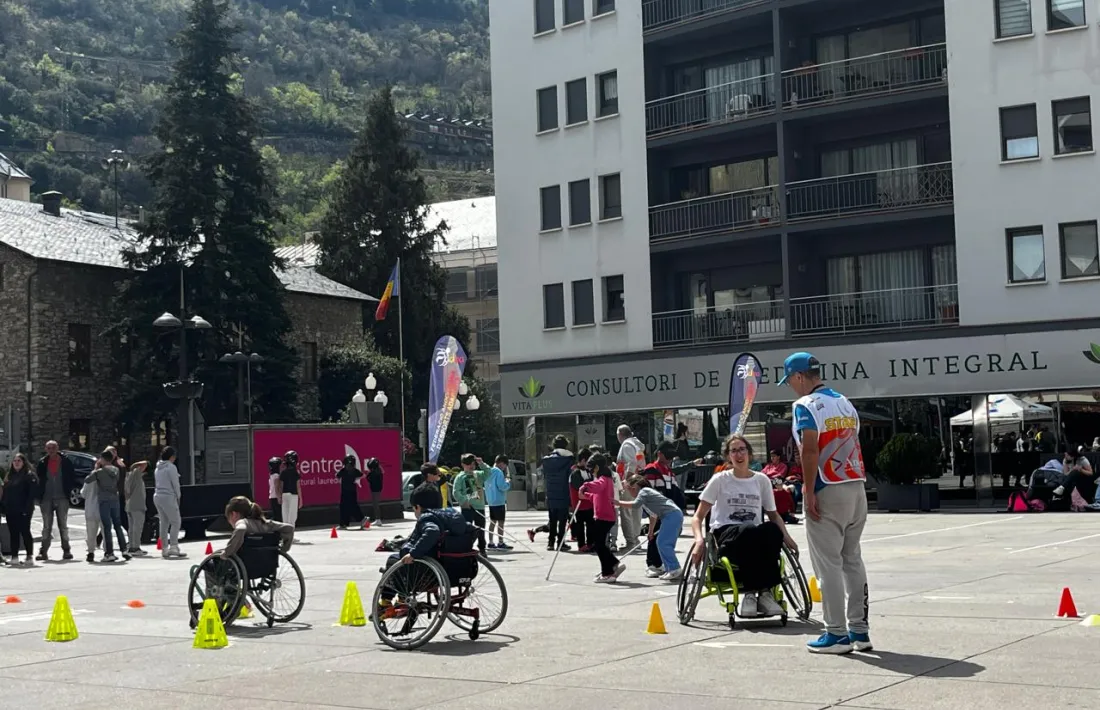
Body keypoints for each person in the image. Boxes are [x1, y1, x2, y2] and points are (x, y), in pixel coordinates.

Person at [780, 351, 870, 654]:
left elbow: (809, 449)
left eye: (790, 381)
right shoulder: (845, 402)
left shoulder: (805, 405)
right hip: (855, 485)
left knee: (828, 564)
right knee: (852, 559)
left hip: (827, 487)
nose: (791, 387)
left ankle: (836, 633)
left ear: (799, 376)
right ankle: (859, 630)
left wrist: (807, 490)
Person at [691, 434, 799, 618]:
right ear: (729, 456)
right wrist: (699, 540)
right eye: (734, 451)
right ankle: (750, 594)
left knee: (771, 530)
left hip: (754, 534)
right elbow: (698, 516)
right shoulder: (720, 480)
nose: (738, 454)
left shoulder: (761, 480)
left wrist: (787, 538)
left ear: (749, 453)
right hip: (726, 534)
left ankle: (765, 594)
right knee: (748, 530)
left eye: (742, 449)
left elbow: (773, 515)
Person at [376, 483, 471, 612]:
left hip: (428, 570)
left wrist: (414, 554)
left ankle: (387, 601)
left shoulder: (427, 517)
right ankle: (401, 598)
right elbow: (471, 529)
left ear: (418, 507)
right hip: (458, 568)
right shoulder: (453, 515)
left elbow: (432, 531)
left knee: (393, 560)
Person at [621, 475, 684, 581]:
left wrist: (618, 503)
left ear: (634, 487)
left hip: (671, 515)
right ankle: (670, 569)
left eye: (629, 489)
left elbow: (635, 505)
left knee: (664, 543)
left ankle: (675, 568)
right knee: (661, 543)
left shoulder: (644, 492)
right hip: (670, 516)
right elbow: (653, 516)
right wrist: (650, 532)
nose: (630, 493)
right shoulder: (646, 495)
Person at [579, 454, 625, 583]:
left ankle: (608, 572)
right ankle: (613, 564)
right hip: (603, 516)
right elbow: (596, 496)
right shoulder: (606, 480)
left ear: (597, 467)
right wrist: (586, 495)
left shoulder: (604, 479)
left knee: (599, 545)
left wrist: (585, 486)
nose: (591, 472)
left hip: (605, 516)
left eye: (591, 469)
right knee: (600, 544)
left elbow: (597, 486)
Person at [34, 440, 76, 561]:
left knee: (63, 525)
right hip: (46, 498)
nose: (51, 450)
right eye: (48, 448)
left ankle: (66, 550)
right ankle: (43, 551)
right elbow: (39, 479)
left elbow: (71, 476)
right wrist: (39, 496)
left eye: (53, 447)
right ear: (46, 449)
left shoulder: (66, 461)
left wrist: (68, 491)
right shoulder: (42, 462)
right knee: (47, 526)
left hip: (62, 497)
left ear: (57, 448)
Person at [88, 449, 130, 562]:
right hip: (114, 499)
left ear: (102, 459)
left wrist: (96, 470)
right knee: (117, 525)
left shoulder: (99, 472)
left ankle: (109, 552)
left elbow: (88, 480)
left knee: (107, 527)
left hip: (104, 500)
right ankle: (124, 550)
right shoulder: (116, 470)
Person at [221, 496, 294, 558]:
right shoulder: (266, 523)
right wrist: (284, 549)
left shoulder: (243, 522)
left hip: (245, 564)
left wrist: (227, 552)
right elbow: (289, 528)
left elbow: (240, 529)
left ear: (234, 514)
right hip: (267, 564)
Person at [539, 436, 574, 552]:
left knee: (552, 519)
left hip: (551, 493)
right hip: (563, 493)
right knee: (562, 521)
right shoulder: (568, 460)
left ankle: (550, 543)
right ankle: (560, 542)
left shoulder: (546, 461)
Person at [613, 425, 645, 550]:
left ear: (620, 434)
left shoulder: (626, 445)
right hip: (639, 479)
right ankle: (635, 538)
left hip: (629, 480)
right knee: (636, 509)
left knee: (626, 510)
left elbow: (631, 463)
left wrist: (627, 480)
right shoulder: (637, 444)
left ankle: (631, 541)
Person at [3, 453, 37, 566]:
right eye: (15, 461)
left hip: (23, 510)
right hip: (11, 509)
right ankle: (14, 557)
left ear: (24, 462)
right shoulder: (10, 476)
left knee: (25, 532)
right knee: (13, 533)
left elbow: (31, 495)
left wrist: (26, 509)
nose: (16, 463)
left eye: (19, 461)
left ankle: (29, 556)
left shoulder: (29, 476)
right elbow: (5, 493)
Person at [153, 446, 185, 559]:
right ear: (171, 457)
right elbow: (175, 484)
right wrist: (178, 496)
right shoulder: (171, 467)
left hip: (158, 496)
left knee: (164, 522)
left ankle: (164, 548)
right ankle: (174, 546)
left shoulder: (158, 468)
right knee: (176, 521)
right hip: (168, 496)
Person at [451, 454, 488, 532]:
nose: (471, 466)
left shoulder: (478, 474)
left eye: (473, 464)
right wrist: (464, 501)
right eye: (468, 464)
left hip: (479, 506)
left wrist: (481, 463)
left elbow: (488, 473)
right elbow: (456, 491)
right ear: (463, 464)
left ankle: (482, 544)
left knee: (481, 530)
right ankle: (467, 544)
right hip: (467, 507)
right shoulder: (460, 477)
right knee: (467, 530)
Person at [569, 448, 595, 552]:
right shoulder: (575, 473)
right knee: (580, 526)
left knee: (591, 525)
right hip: (579, 504)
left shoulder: (589, 472)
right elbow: (580, 488)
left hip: (589, 503)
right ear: (584, 460)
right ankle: (581, 544)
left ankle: (590, 543)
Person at [484, 455, 512, 550]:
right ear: (501, 463)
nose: (505, 468)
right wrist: (508, 482)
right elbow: (502, 486)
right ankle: (500, 542)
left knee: (492, 522)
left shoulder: (488, 472)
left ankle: (491, 542)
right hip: (499, 501)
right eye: (505, 465)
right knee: (501, 522)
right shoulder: (499, 472)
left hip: (491, 500)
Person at [124, 460, 150, 556]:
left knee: (131, 527)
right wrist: (137, 464)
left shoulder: (128, 477)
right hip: (138, 504)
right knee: (137, 527)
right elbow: (144, 463)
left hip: (130, 504)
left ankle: (131, 546)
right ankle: (136, 547)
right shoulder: (136, 474)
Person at [80, 467, 102, 563]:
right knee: (105, 531)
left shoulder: (89, 479)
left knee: (91, 532)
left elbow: (83, 494)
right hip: (102, 508)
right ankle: (107, 551)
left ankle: (91, 552)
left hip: (90, 508)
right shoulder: (107, 478)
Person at [336, 454, 363, 529]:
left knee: (344, 507)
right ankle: (345, 523)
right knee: (351, 506)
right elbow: (362, 475)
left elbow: (337, 476)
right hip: (352, 491)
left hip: (345, 491)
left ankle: (361, 519)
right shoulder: (355, 470)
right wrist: (356, 480)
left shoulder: (343, 470)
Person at [278, 450, 302, 532]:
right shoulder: (296, 472)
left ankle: (285, 533)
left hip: (285, 495)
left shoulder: (283, 472)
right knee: (292, 516)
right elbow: (298, 486)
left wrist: (279, 496)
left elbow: (280, 486)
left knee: (285, 515)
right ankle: (290, 533)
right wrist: (301, 499)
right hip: (294, 495)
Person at [365, 457, 385, 526]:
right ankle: (377, 519)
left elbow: (368, 478)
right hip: (377, 489)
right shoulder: (379, 471)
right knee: (376, 504)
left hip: (375, 490)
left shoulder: (374, 473)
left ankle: (378, 519)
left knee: (375, 504)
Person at [267, 457, 282, 522]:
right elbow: (277, 487)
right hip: (276, 497)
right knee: (278, 515)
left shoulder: (271, 475)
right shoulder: (276, 476)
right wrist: (279, 497)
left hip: (271, 497)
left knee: (275, 514)